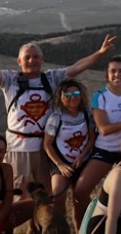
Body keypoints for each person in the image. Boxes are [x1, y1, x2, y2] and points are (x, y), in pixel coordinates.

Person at [0, 35, 116, 195]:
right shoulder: (11, 80)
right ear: (19, 61)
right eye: (27, 57)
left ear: (42, 59)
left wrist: (100, 53)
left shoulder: (51, 78)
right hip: (19, 148)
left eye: (36, 57)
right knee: (20, 195)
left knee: (44, 197)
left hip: (44, 149)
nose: (32, 60)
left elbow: (77, 66)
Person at [74, 55, 121, 226]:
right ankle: (84, 227)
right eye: (113, 71)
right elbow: (104, 129)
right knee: (80, 191)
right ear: (107, 74)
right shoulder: (100, 96)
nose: (117, 75)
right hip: (105, 149)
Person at [43, 79, 96, 229]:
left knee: (80, 200)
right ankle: (61, 230)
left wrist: (82, 155)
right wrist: (60, 165)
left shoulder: (87, 114)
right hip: (60, 161)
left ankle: (82, 230)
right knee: (58, 198)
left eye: (76, 93)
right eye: (68, 94)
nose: (73, 97)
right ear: (61, 97)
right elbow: (47, 144)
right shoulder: (56, 117)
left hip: (82, 161)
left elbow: (91, 138)